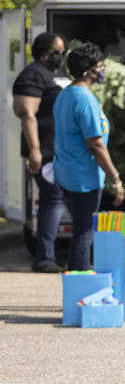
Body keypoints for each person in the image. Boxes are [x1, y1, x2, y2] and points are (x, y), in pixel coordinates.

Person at [52, 44, 125, 272]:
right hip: (83, 177)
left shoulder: (65, 95)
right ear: (90, 70)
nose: (103, 70)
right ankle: (80, 280)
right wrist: (115, 177)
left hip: (66, 172)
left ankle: (76, 277)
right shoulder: (84, 99)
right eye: (100, 66)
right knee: (83, 232)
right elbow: (95, 143)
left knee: (79, 230)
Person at [12, 32, 67, 272]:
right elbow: (26, 114)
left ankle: (46, 256)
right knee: (53, 200)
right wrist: (35, 150)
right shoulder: (32, 75)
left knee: (51, 201)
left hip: (52, 150)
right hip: (43, 152)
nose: (60, 55)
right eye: (56, 51)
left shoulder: (47, 75)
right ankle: (44, 258)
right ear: (43, 52)